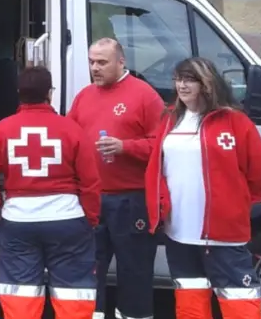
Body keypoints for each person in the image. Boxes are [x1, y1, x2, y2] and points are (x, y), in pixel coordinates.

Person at [145, 57, 261, 319]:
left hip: (223, 231)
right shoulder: (170, 119)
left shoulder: (234, 121)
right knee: (189, 298)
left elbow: (260, 171)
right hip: (179, 230)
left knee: (238, 298)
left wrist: (234, 204)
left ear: (207, 83)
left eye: (189, 79)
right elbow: (157, 168)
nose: (181, 85)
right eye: (178, 79)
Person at [0, 66, 102, 319]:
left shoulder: (3, 129)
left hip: (18, 221)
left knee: (21, 294)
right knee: (72, 293)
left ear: (19, 93)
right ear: (49, 93)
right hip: (67, 220)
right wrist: (89, 218)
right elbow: (91, 181)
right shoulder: (70, 128)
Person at [66, 38, 165, 319]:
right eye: (91, 62)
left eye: (102, 62)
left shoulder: (145, 95)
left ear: (121, 62)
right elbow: (69, 138)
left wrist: (125, 147)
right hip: (92, 197)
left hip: (131, 199)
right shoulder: (85, 96)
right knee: (88, 268)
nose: (95, 68)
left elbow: (161, 146)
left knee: (134, 270)